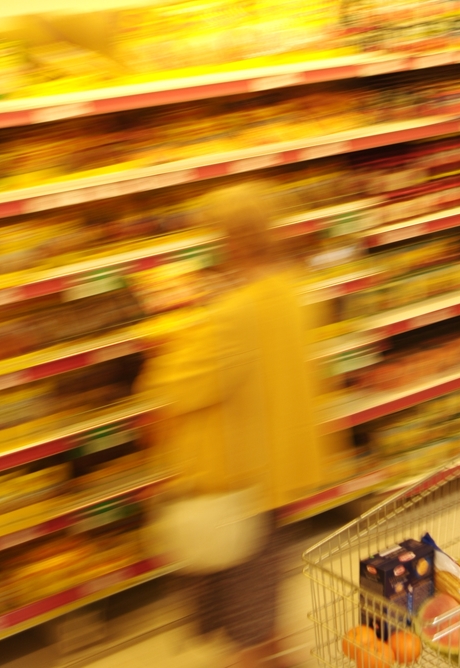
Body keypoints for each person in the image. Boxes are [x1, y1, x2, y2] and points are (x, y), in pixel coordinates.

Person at [137, 181, 324, 668]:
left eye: (216, 237)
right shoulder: (291, 291)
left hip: (234, 483)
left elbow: (176, 389)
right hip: (275, 473)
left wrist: (168, 324)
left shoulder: (233, 316)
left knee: (245, 617)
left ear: (235, 241)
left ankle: (262, 656)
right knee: (265, 591)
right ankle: (276, 653)